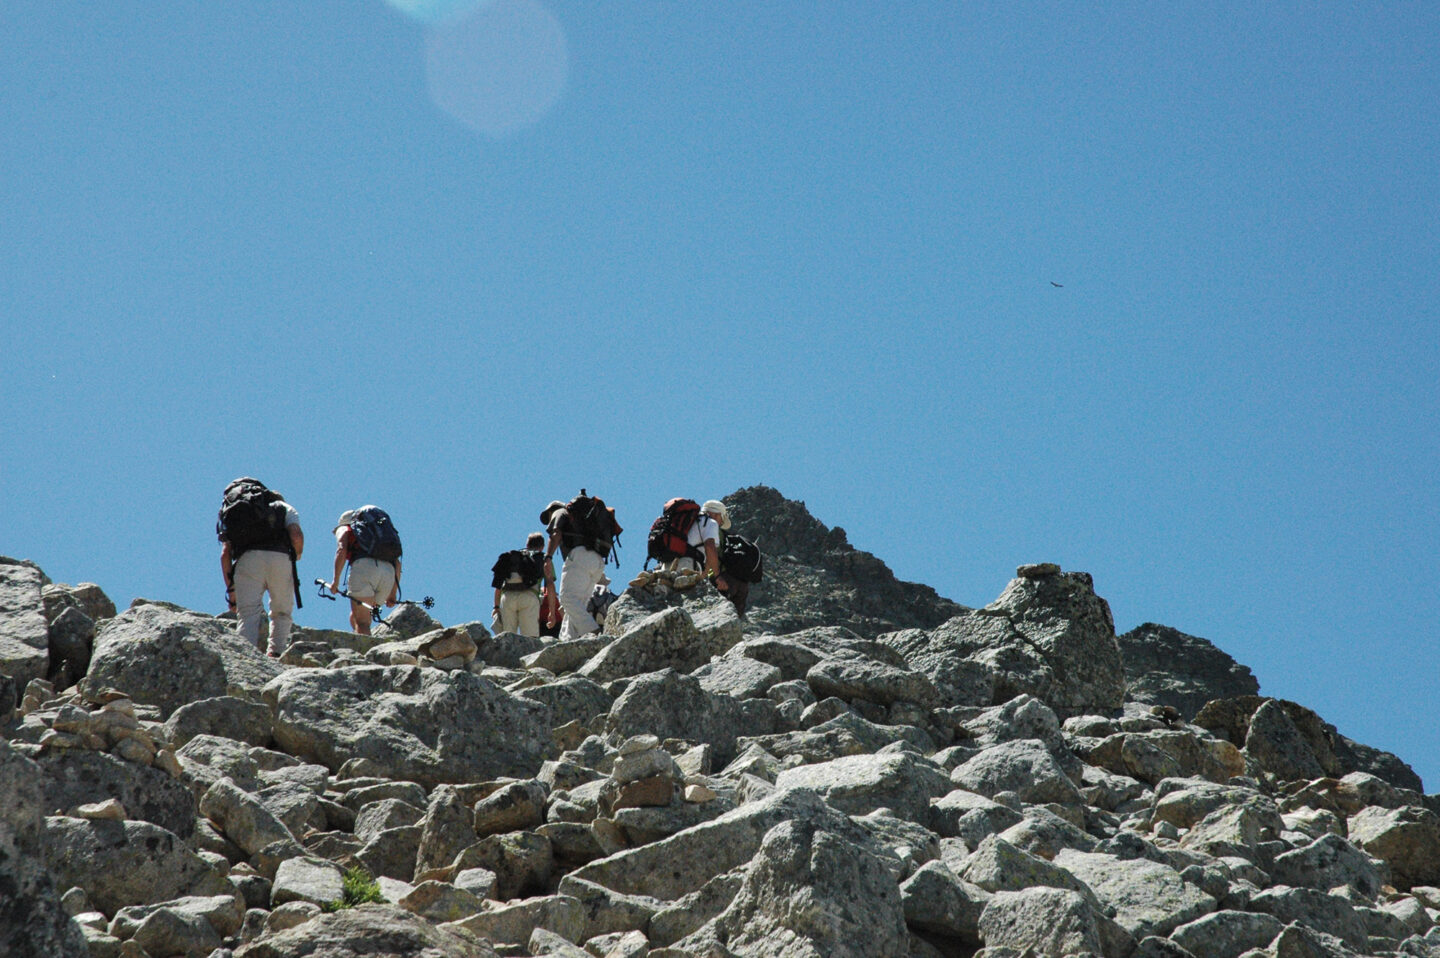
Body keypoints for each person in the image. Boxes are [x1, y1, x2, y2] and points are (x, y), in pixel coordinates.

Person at [217, 477, 304, 657]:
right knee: (281, 612)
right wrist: (295, 556)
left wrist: (231, 588)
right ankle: (276, 653)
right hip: (280, 558)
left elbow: (225, 553)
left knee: (248, 613)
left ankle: (244, 657)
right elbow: (296, 535)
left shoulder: (236, 511)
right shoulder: (285, 508)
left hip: (247, 560)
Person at [328, 507, 402, 636]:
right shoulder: (378, 535)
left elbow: (341, 549)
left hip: (364, 568)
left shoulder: (347, 528)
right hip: (388, 574)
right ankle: (359, 640)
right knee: (356, 616)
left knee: (362, 622)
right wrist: (392, 593)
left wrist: (336, 581)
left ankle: (365, 654)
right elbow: (397, 563)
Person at [542, 497, 607, 640]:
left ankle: (594, 633)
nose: (549, 520)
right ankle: (568, 639)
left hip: (579, 556)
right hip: (597, 561)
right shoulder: (582, 521)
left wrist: (548, 557)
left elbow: (556, 533)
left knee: (567, 599)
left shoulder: (559, 512)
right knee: (577, 606)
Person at [491, 533, 549, 637]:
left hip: (507, 598)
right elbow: (550, 585)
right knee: (530, 637)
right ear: (542, 547)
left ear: (527, 545)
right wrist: (552, 613)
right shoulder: (541, 559)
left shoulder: (510, 558)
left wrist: (496, 607)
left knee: (507, 636)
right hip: (529, 597)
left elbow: (498, 587)